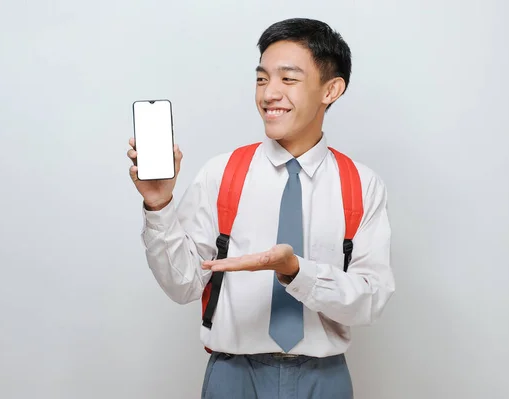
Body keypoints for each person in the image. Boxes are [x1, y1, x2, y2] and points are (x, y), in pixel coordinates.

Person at [127, 17, 395, 399]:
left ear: (331, 90)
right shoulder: (222, 173)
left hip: (325, 378)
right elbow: (183, 284)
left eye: (288, 79)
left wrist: (296, 272)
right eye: (261, 79)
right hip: (232, 375)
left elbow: (370, 301)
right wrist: (159, 205)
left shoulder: (361, 184)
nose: (270, 93)